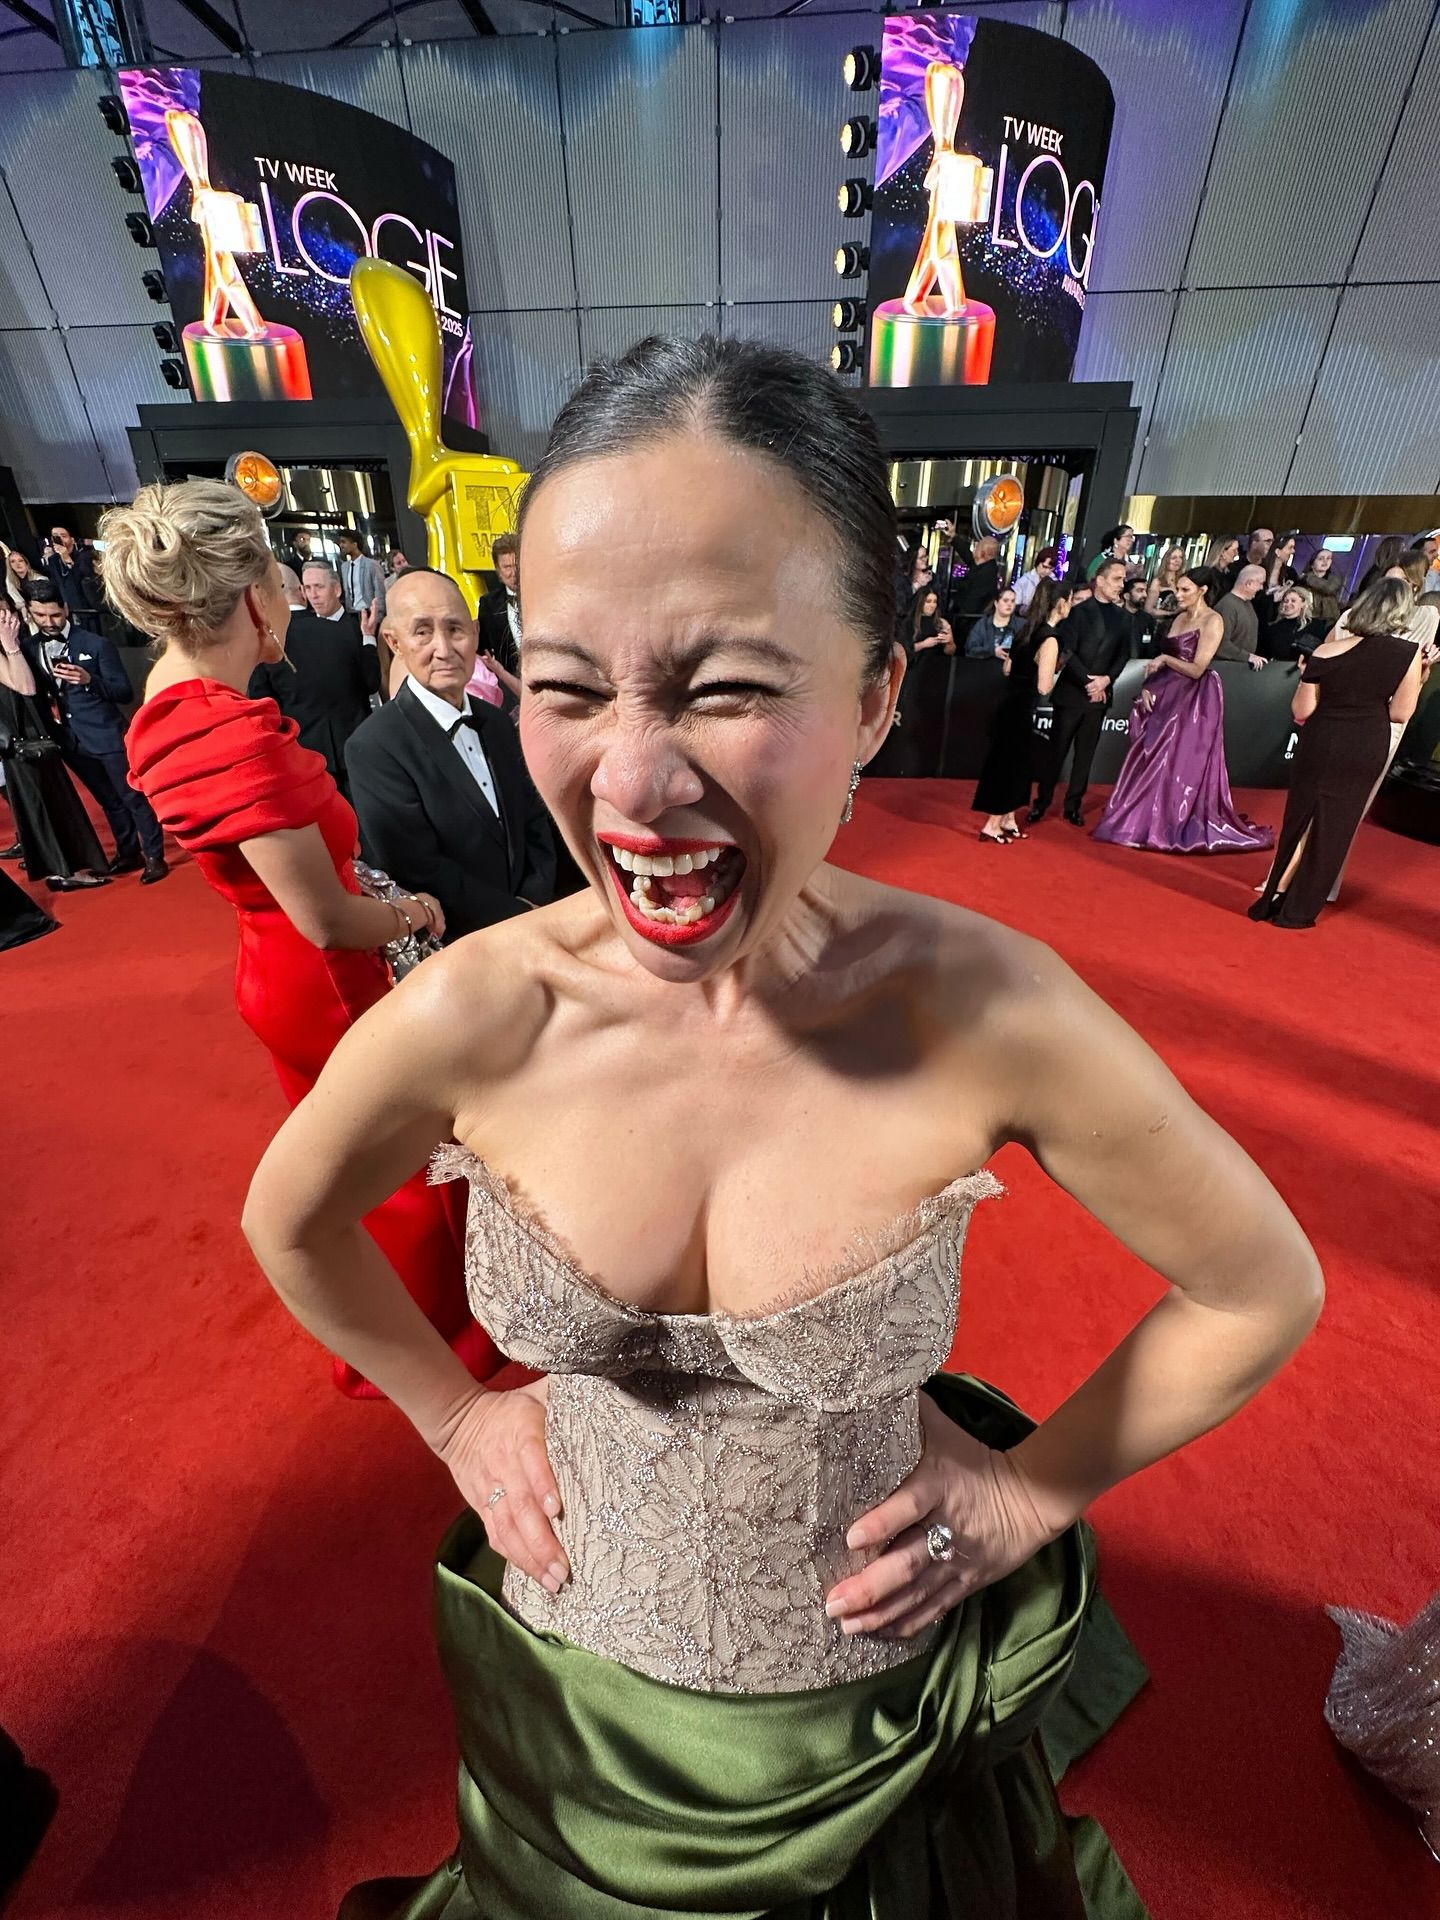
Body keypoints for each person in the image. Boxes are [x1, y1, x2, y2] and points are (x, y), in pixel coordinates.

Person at [242, 335, 1322, 1920]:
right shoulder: (478, 1010)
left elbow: (1260, 1284)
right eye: (566, 687)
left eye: (728, 687)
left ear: (877, 697)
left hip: (874, 1734)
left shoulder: (984, 1005)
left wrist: (1032, 1491)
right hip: (579, 1724)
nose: (630, 781)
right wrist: (457, 1420)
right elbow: (287, 1221)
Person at [111, 479, 500, 1395]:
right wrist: (415, 914)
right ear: (253, 596)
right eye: (281, 583)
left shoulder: (170, 703)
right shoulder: (226, 732)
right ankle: (439, 1340)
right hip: (326, 980)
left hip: (274, 969)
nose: (290, 600)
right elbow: (325, 919)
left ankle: (409, 1327)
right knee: (398, 1170)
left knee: (354, 1163)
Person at [346, 567, 555, 942]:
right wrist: (516, 918)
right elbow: (416, 866)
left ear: (475, 633)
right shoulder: (374, 746)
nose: (444, 650)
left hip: (535, 922)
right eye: (422, 632)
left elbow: (534, 816)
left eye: (455, 629)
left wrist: (535, 897)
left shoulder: (497, 720)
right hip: (461, 944)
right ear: (395, 642)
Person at [1249, 579, 1423, 929]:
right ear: (1402, 612)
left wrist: (1308, 679)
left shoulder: (1327, 651)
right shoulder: (1408, 653)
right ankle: (1298, 911)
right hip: (1364, 745)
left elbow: (1302, 710)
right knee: (1335, 826)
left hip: (1321, 738)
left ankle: (1271, 897)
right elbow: (1400, 713)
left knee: (1299, 817)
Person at [1093, 567, 1275, 856]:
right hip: (1166, 692)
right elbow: (1166, 662)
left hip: (1194, 699)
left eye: (1184, 590)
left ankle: (1170, 824)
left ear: (1202, 591)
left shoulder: (1213, 620)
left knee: (1180, 763)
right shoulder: (1178, 618)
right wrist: (1150, 685)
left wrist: (1165, 659)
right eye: (1178, 589)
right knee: (1151, 756)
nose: (1177, 595)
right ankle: (1146, 821)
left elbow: (1197, 668)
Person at [24, 582, 168, 882]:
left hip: (107, 736)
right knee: (108, 801)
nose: (49, 622)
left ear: (65, 609)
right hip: (71, 741)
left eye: (55, 615)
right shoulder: (29, 648)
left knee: (132, 798)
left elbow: (124, 692)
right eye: (40, 616)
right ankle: (129, 853)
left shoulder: (96, 644)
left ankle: (155, 856)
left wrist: (89, 680)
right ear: (30, 613)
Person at [0, 605, 110, 892]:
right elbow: (25, 686)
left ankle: (66, 870)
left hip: (35, 741)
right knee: (48, 809)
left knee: (57, 806)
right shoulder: (7, 650)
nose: (8, 621)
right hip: (21, 748)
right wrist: (10, 645)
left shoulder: (19, 645)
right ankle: (65, 871)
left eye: (8, 614)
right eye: (1, 618)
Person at [1028, 555, 1131, 826]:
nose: (1122, 584)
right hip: (1073, 694)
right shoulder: (1078, 612)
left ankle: (1073, 805)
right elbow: (1068, 652)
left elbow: (1123, 656)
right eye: (1117, 579)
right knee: (1056, 753)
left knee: (1085, 756)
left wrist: (1106, 680)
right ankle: (1042, 802)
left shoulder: (1124, 617)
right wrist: (1089, 682)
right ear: (1100, 581)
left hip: (1100, 696)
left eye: (1123, 579)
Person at [248, 586, 380, 798]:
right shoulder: (345, 630)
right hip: (357, 746)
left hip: (305, 755)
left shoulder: (266, 647)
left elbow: (264, 709)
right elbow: (371, 683)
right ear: (302, 593)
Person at [971, 576, 1067, 843]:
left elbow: (1007, 668)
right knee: (1010, 766)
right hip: (1021, 709)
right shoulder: (1050, 638)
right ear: (1061, 604)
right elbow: (1044, 687)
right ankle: (992, 825)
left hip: (1009, 703)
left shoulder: (1027, 629)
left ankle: (1008, 819)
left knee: (1018, 764)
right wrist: (1056, 668)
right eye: (1070, 600)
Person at [478, 531, 523, 679]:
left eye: (517, 566)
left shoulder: (541, 596)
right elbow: (482, 649)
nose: (514, 573)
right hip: (507, 683)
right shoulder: (488, 604)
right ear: (498, 571)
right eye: (507, 567)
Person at [945, 534, 1000, 646]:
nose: (974, 548)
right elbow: (969, 557)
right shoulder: (984, 565)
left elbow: (971, 604)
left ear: (983, 553)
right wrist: (954, 537)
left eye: (977, 546)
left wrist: (954, 623)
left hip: (968, 626)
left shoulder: (986, 574)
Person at [1213, 566, 1268, 670]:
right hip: (1224, 669)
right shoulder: (1227, 606)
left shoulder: (1247, 603)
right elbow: (1220, 643)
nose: (1261, 588)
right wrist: (1247, 657)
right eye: (1260, 583)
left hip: (1238, 669)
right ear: (1249, 583)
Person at [43, 525, 98, 618]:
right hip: (68, 609)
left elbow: (85, 580)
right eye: (55, 536)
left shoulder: (84, 557)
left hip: (87, 607)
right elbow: (57, 584)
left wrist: (67, 559)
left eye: (63, 536)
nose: (60, 539)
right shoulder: (53, 560)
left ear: (72, 540)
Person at [338, 530, 386, 621]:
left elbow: (380, 591)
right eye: (340, 542)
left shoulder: (371, 564)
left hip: (369, 613)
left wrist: (378, 616)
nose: (341, 545)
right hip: (352, 614)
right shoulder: (344, 567)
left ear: (354, 544)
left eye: (344, 542)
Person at [1262, 584, 1319, 660]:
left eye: (1293, 601)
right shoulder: (1273, 628)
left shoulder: (1315, 625)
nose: (1288, 604)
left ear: (1303, 603)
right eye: (1286, 601)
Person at [963, 584, 1017, 659]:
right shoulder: (983, 624)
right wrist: (992, 651)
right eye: (1005, 600)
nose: (1009, 604)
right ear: (996, 603)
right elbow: (970, 649)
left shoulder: (1022, 625)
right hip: (985, 665)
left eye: (1013, 601)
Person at [1300, 548, 1343, 628]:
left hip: (1329, 622)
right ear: (1312, 563)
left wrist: (1309, 577)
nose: (1325, 561)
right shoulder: (1302, 581)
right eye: (1320, 558)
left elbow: (1329, 588)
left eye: (1328, 558)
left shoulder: (1334, 579)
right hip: (1307, 620)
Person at [1010, 544, 1055, 613]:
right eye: (1044, 567)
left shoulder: (1055, 582)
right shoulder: (1024, 581)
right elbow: (1014, 604)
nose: (1047, 571)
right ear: (1037, 563)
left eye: (1050, 568)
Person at [1145, 545, 1186, 621]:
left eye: (1180, 557)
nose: (1177, 560)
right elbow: (1148, 609)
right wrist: (1171, 613)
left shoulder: (1183, 581)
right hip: (1161, 622)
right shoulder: (1157, 582)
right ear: (1166, 559)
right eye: (1174, 557)